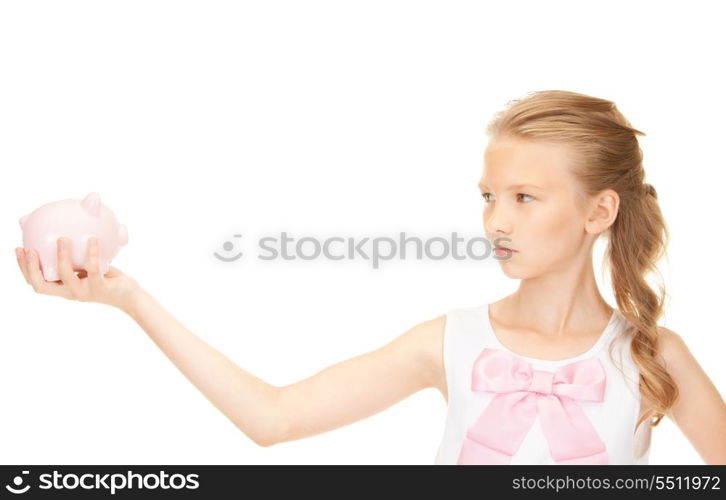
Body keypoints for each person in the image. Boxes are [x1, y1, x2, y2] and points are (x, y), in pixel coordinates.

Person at [15, 90, 726, 464]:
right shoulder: (448, 341)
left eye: (524, 198)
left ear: (600, 210)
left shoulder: (654, 358)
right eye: (488, 196)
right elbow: (274, 418)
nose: (496, 221)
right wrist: (130, 298)